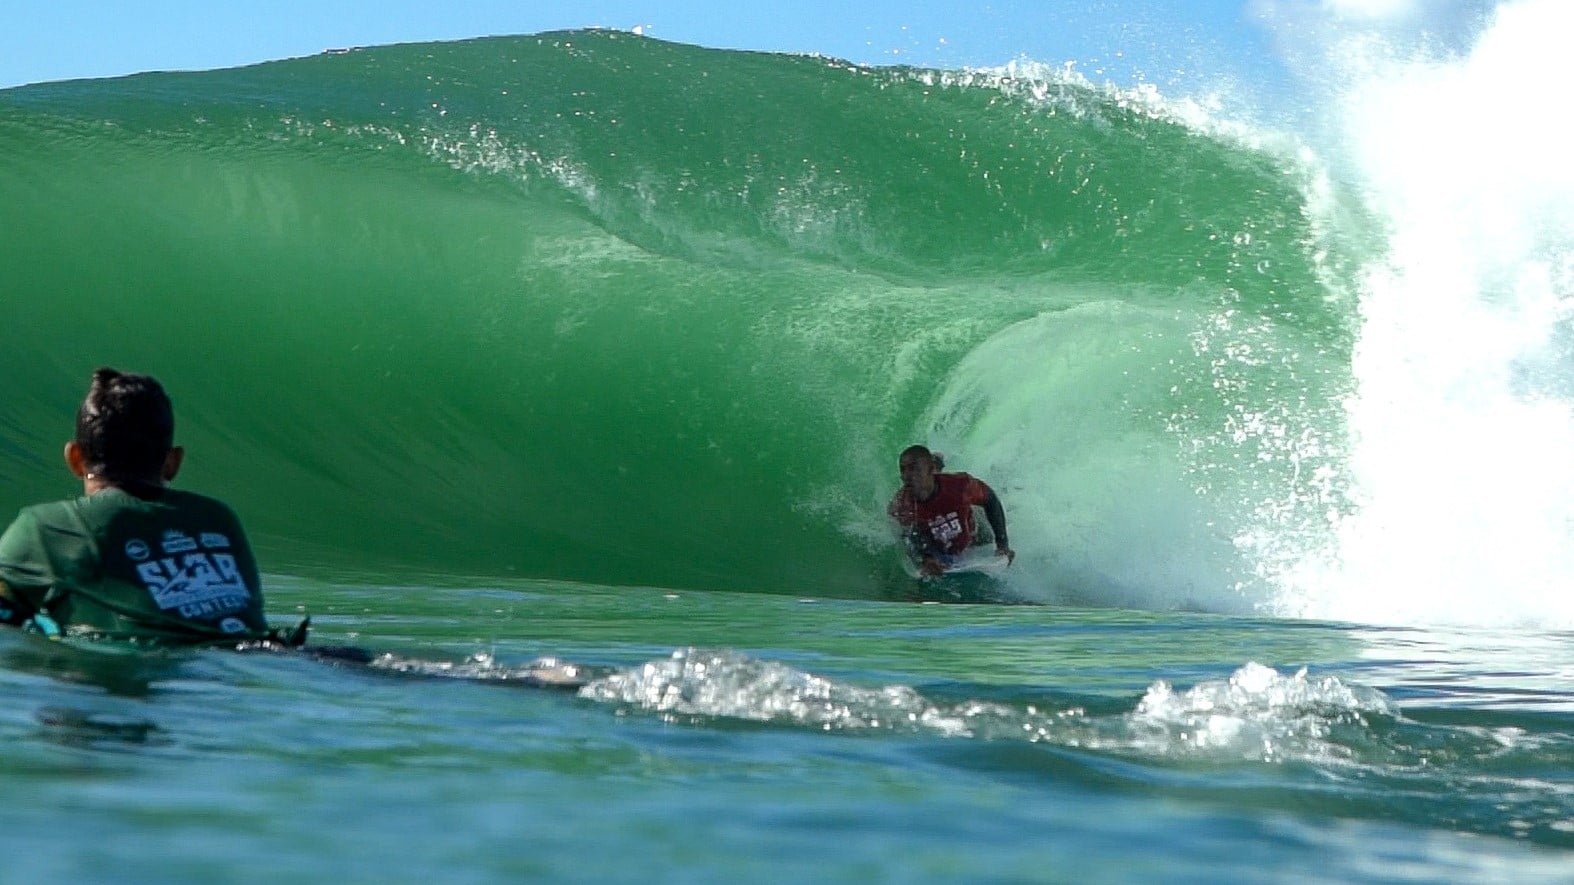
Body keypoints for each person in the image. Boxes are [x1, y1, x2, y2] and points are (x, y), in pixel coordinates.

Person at [0, 367, 306, 646]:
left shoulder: (46, 528)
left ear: (75, 458)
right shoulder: (219, 519)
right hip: (269, 656)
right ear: (173, 462)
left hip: (151, 662)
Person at [888, 444, 1015, 577]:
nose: (906, 476)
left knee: (985, 536)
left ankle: (937, 461)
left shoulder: (961, 486)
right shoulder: (902, 505)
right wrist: (926, 558)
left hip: (973, 528)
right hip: (937, 544)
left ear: (930, 469)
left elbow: (990, 499)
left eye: (914, 469)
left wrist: (1003, 545)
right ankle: (934, 462)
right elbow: (909, 536)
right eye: (903, 470)